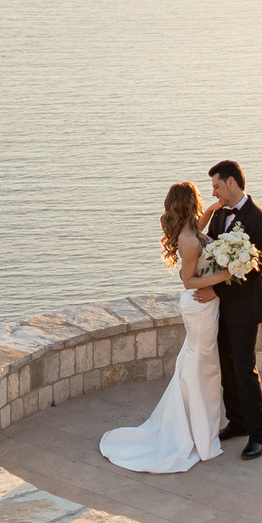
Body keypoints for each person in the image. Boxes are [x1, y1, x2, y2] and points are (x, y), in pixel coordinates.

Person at [98, 182, 229, 474]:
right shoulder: (188, 240)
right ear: (187, 203)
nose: (200, 201)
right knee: (202, 364)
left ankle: (195, 426)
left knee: (200, 362)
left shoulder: (192, 228)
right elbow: (188, 280)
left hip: (205, 307)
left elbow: (200, 227)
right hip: (198, 305)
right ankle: (193, 434)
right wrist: (225, 276)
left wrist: (210, 211)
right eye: (197, 198)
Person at [205, 160, 262, 459]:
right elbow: (211, 252)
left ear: (231, 182)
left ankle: (258, 434)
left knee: (245, 369)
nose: (214, 192)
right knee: (227, 368)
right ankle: (237, 421)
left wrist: (214, 288)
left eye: (217, 186)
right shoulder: (219, 215)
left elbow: (254, 271)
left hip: (245, 309)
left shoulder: (259, 220)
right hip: (221, 308)